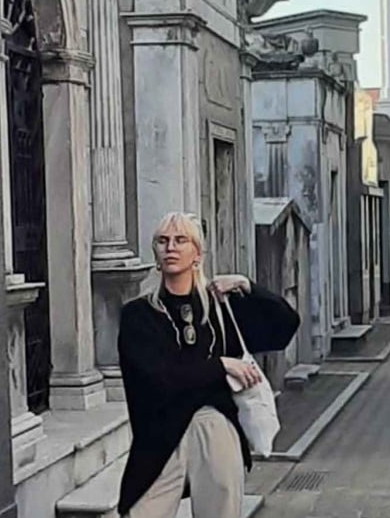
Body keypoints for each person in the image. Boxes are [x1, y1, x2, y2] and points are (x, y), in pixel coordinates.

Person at [117, 212, 300, 518]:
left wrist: (246, 285)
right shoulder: (138, 315)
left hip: (214, 425)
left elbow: (285, 325)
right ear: (155, 254)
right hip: (159, 435)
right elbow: (158, 378)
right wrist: (221, 365)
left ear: (197, 254)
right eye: (163, 241)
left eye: (180, 240)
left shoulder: (220, 308)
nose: (170, 247)